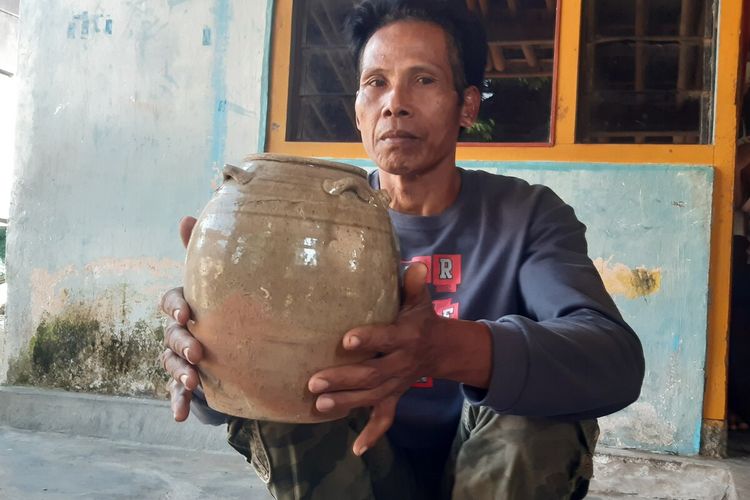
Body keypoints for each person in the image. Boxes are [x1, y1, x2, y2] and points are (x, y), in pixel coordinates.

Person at [159, 0, 645, 498]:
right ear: (358, 109)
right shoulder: (304, 222)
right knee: (289, 406)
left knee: (539, 410)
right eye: (376, 83)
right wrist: (207, 351)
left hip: (496, 471)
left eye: (424, 80)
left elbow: (613, 360)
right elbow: (223, 400)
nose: (395, 102)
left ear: (468, 106)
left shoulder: (526, 216)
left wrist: (443, 349)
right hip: (357, 464)